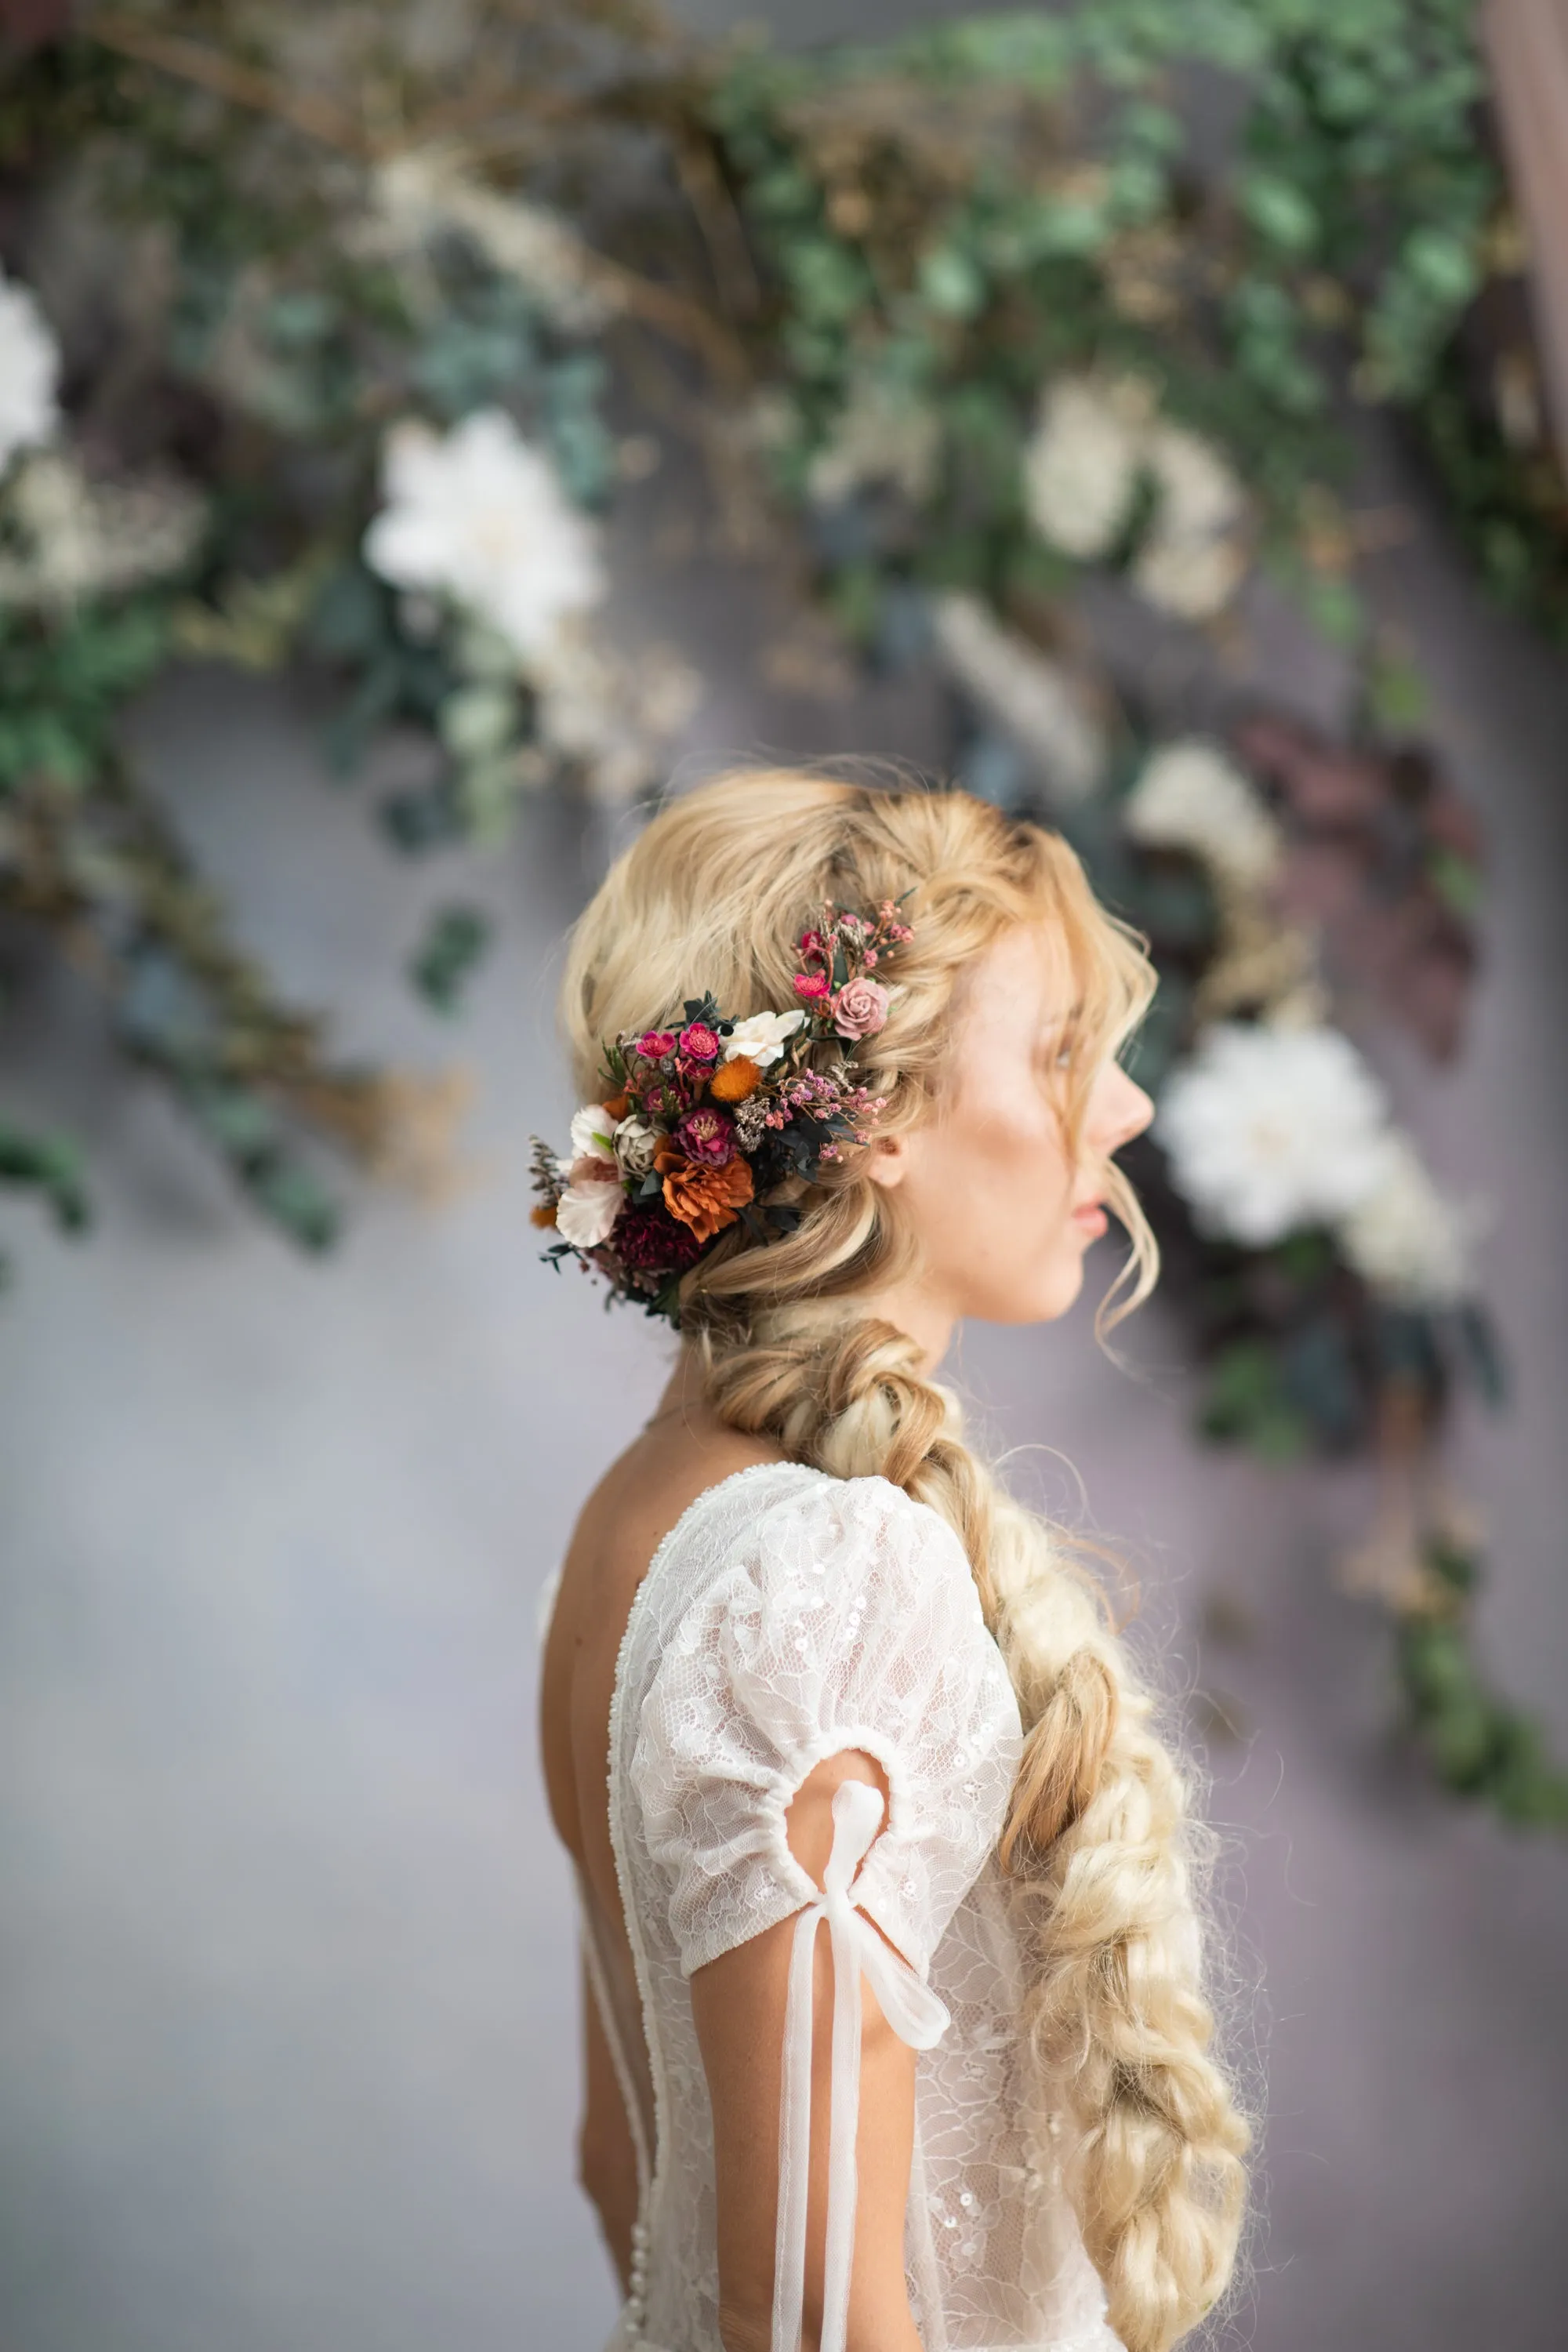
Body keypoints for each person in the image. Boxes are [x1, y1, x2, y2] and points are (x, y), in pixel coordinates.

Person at [537, 771, 1253, 2352]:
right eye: (1063, 1050)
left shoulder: (630, 1521)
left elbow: (622, 2171)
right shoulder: (820, 1580)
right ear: (870, 1120)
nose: (1123, 1108)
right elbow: (803, 2318)